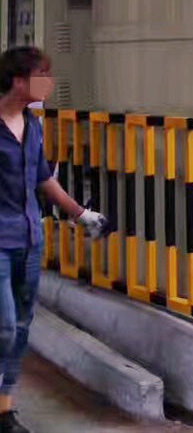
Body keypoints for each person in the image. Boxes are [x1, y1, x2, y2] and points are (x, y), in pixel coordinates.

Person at [0, 47, 108, 433]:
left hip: (31, 239)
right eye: (42, 75)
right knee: (5, 325)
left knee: (22, 325)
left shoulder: (33, 126)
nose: (49, 82)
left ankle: (5, 409)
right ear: (18, 81)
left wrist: (81, 214)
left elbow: (43, 178)